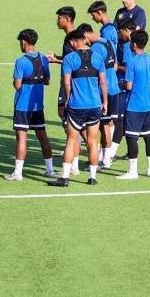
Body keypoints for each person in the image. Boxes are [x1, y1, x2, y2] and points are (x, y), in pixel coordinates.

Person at [48, 30, 108, 187]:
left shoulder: (70, 58)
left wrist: (68, 99)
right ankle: (92, 177)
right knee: (92, 141)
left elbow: (66, 82)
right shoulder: (98, 56)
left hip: (77, 106)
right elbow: (103, 82)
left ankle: (65, 177)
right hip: (95, 105)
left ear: (73, 42)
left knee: (71, 140)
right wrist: (105, 102)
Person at [6, 29, 55, 181]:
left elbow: (17, 85)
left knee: (22, 138)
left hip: (22, 106)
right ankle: (50, 170)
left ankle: (18, 173)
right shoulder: (43, 58)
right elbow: (47, 81)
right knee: (43, 137)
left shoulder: (21, 61)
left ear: (23, 42)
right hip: (37, 106)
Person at [118, 29, 150, 179]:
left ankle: (133, 172)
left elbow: (128, 86)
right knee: (148, 136)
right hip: (147, 105)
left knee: (131, 137)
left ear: (134, 44)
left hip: (133, 106)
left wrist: (121, 84)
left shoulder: (133, 62)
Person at [80, 22, 121, 169]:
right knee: (107, 123)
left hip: (104, 91)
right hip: (114, 87)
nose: (83, 43)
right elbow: (115, 65)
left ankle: (104, 160)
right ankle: (106, 158)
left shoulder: (95, 48)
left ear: (85, 35)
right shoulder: (107, 42)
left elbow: (94, 70)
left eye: (82, 40)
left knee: (103, 126)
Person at [46, 6, 80, 175]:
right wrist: (56, 58)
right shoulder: (70, 36)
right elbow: (68, 58)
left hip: (70, 84)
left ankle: (74, 164)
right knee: (66, 118)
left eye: (59, 18)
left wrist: (56, 60)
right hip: (68, 83)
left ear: (67, 19)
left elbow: (75, 60)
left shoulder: (72, 38)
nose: (57, 21)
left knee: (70, 121)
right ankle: (72, 154)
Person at [112, 18, 139, 157]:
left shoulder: (128, 46)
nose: (119, 34)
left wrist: (116, 67)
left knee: (119, 121)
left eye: (121, 31)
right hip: (136, 87)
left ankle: (110, 154)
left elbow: (128, 68)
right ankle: (130, 152)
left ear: (127, 31)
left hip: (124, 86)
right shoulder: (138, 44)